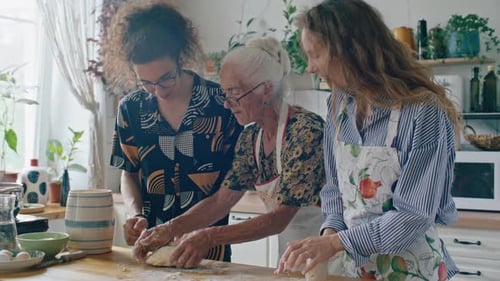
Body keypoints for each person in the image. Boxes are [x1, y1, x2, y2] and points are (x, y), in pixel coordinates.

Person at [276, 1, 461, 280]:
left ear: (349, 51)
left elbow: (413, 215)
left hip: (412, 271)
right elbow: (334, 191)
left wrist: (335, 244)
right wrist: (327, 237)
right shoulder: (338, 105)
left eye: (315, 55)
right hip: (355, 271)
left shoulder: (424, 112)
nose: (310, 67)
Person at [132, 36, 326, 269]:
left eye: (234, 92)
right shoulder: (251, 136)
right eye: (225, 93)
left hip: (330, 256)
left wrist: (209, 237)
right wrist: (169, 229)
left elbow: (279, 219)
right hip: (292, 256)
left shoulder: (305, 131)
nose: (227, 103)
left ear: (266, 89)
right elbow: (221, 201)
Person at [107, 1, 242, 262]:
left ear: (181, 57)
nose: (157, 90)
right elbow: (129, 173)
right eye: (145, 82)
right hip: (150, 253)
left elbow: (232, 186)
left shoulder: (220, 103)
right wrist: (134, 214)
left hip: (207, 252)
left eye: (165, 78)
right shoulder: (131, 109)